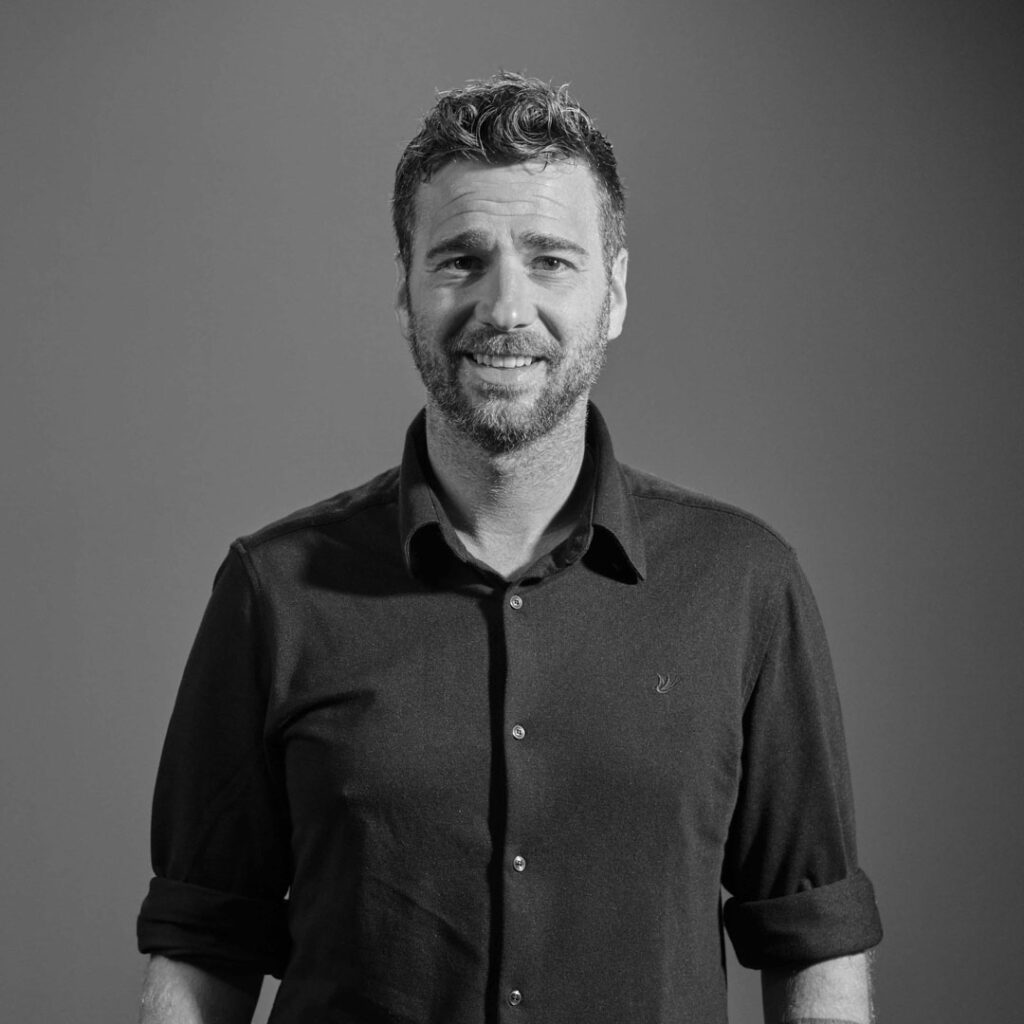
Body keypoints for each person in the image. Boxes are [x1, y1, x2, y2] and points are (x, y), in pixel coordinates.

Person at [136, 71, 882, 1024]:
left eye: (550, 259)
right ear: (406, 295)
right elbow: (203, 948)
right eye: (460, 260)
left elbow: (812, 940)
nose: (504, 307)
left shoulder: (744, 586)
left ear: (614, 294)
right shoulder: (272, 590)